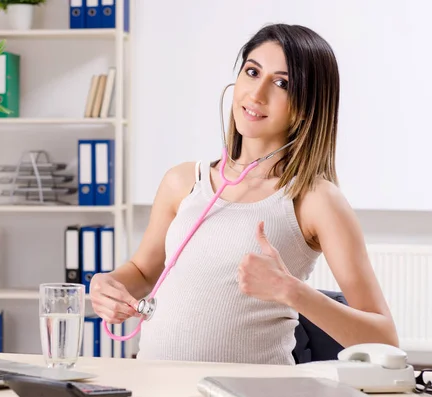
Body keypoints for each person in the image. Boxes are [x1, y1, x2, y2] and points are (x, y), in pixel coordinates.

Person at [89, 23, 399, 365]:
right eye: (252, 72)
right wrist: (110, 284)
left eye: (282, 83)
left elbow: (384, 339)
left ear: (309, 104)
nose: (257, 93)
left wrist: (291, 291)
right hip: (158, 384)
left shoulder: (315, 199)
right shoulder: (182, 182)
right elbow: (144, 271)